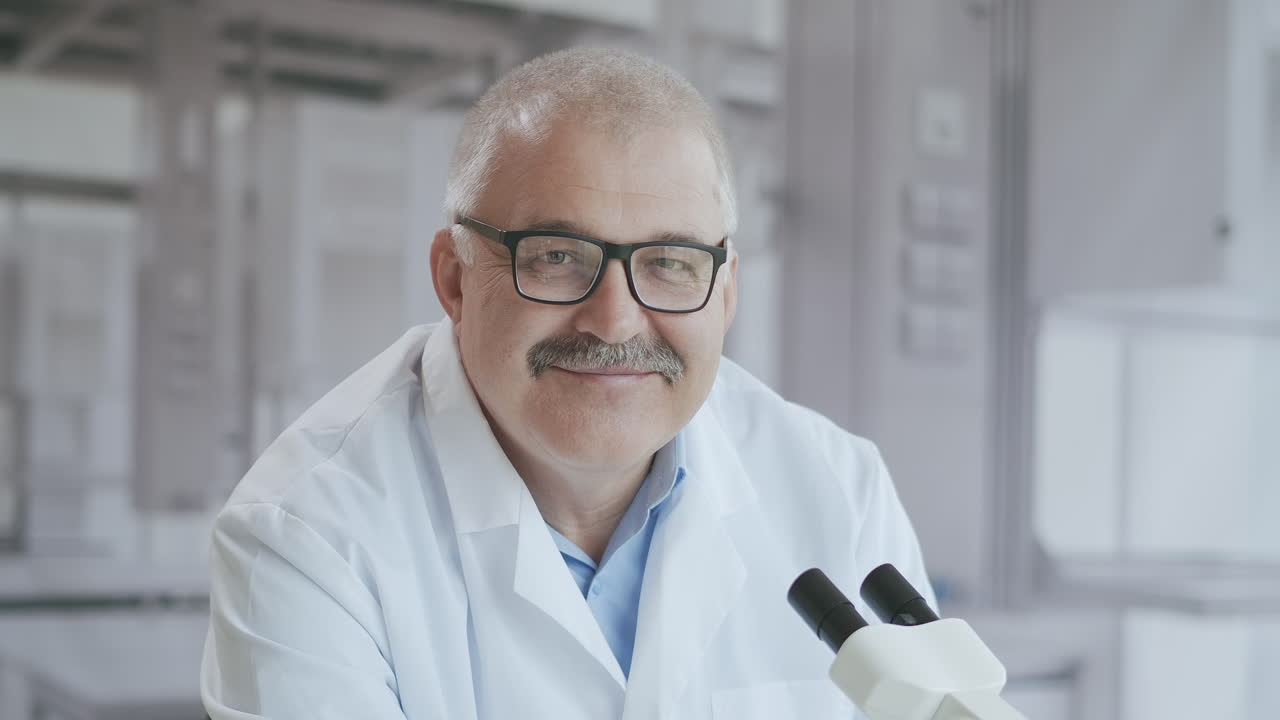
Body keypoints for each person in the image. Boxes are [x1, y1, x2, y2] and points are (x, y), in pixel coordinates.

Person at [201, 48, 932, 720]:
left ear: (726, 294)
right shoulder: (306, 538)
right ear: (454, 279)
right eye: (556, 256)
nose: (614, 322)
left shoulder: (841, 492)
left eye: (670, 262)